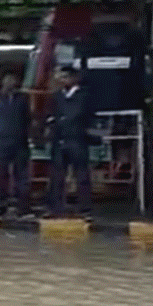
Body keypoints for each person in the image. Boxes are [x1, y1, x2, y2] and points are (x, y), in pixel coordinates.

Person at [0, 71, 32, 216]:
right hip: (1, 142)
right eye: (8, 79)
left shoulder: (23, 98)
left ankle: (22, 207)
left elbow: (27, 118)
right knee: (0, 175)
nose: (11, 82)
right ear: (2, 81)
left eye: (13, 79)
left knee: (21, 176)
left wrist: (25, 133)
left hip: (20, 142)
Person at [47, 65, 93, 216]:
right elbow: (53, 115)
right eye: (62, 77)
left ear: (74, 78)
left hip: (77, 140)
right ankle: (56, 206)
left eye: (66, 77)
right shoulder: (58, 96)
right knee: (57, 175)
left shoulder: (83, 95)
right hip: (60, 140)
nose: (63, 80)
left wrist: (61, 120)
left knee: (81, 174)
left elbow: (78, 114)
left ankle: (84, 207)